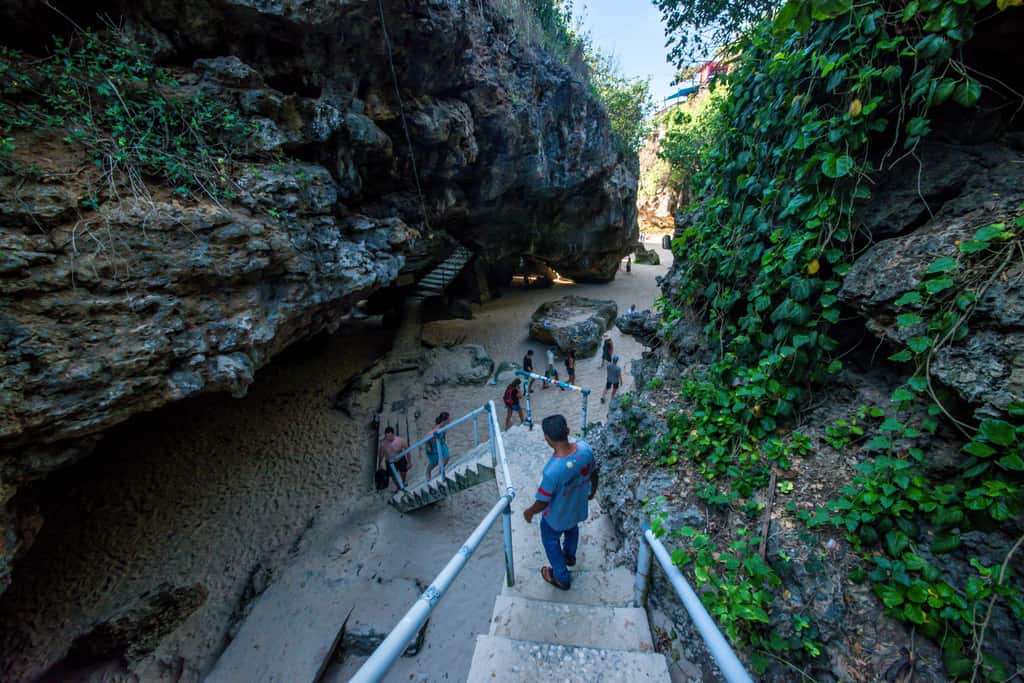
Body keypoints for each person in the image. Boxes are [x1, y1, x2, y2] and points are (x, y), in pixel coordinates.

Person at [522, 414, 598, 591]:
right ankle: (570, 556)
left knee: (551, 542)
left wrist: (530, 512)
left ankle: (562, 578)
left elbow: (542, 501)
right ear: (568, 431)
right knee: (572, 529)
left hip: (555, 518)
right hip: (577, 509)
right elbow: (594, 472)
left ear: (547, 438)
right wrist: (592, 491)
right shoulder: (585, 449)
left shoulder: (552, 471)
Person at [378, 426, 410, 492]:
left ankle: (403, 482)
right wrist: (379, 464)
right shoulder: (383, 443)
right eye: (387, 436)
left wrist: (409, 462)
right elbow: (381, 454)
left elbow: (407, 450)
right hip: (390, 461)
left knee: (403, 472)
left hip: (400, 459)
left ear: (393, 434)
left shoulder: (400, 440)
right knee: (393, 476)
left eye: (390, 436)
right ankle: (398, 487)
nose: (388, 438)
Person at [425, 412, 451, 481]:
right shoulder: (437, 428)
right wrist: (428, 446)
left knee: (447, 456)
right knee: (434, 462)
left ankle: (441, 470)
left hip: (441, 443)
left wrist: (443, 441)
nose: (450, 420)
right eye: (448, 418)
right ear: (445, 420)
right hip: (432, 446)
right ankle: (428, 472)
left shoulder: (444, 426)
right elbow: (427, 437)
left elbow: (444, 434)